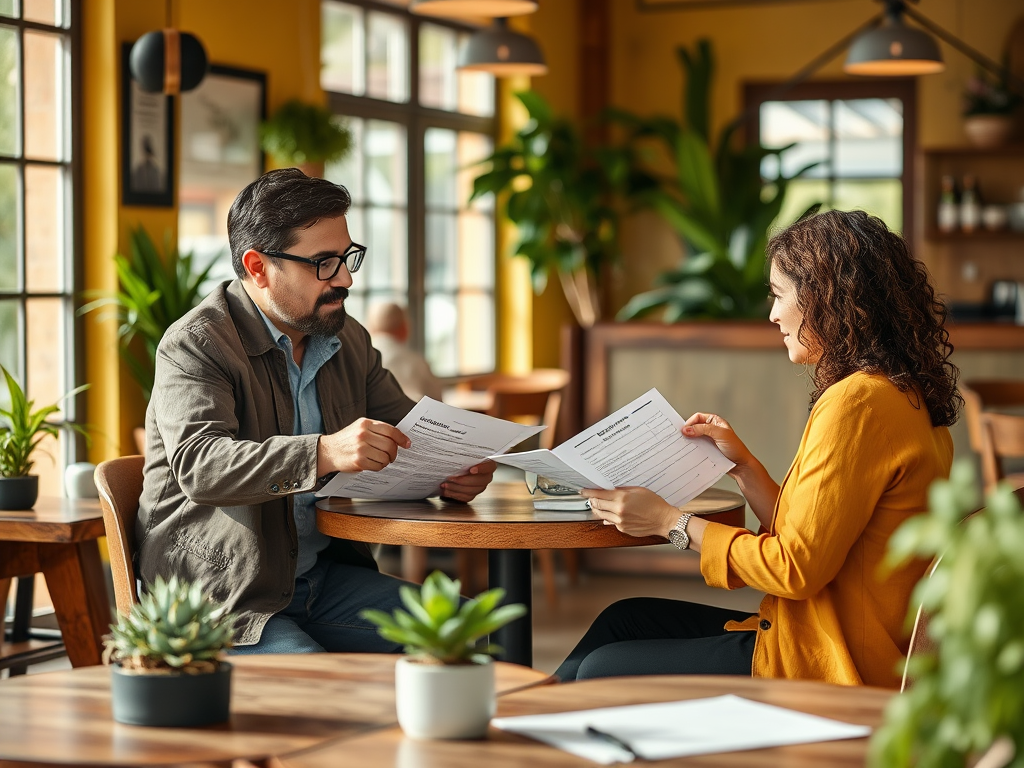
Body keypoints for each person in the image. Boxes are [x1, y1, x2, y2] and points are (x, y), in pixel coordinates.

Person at [556, 210, 960, 688]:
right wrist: (744, 466)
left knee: (601, 671)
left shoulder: (858, 402)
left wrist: (671, 523)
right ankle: (527, 720)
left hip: (825, 662)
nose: (772, 314)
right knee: (622, 620)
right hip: (817, 636)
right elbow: (815, 540)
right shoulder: (900, 395)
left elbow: (794, 570)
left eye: (779, 295)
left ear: (827, 297)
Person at [136, 168, 496, 654]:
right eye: (324, 263)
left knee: (468, 630)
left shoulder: (346, 339)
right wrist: (325, 452)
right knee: (324, 681)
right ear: (258, 266)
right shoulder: (196, 345)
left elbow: (410, 430)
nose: (345, 278)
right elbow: (201, 465)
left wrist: (453, 469)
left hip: (324, 580)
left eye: (348, 257)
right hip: (224, 599)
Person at [365, 302, 444, 402]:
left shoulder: (360, 358)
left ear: (370, 327)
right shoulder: (416, 362)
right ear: (404, 327)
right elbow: (437, 403)